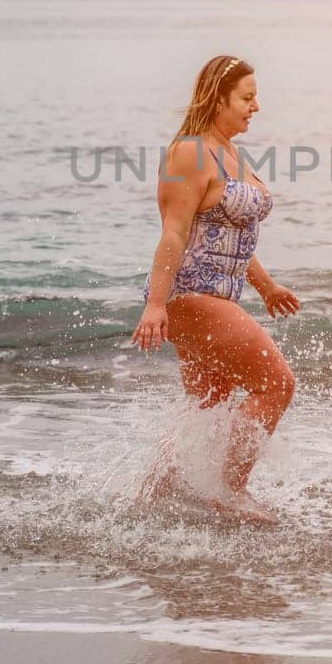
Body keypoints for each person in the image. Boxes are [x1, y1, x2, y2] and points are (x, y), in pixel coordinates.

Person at [132, 55, 300, 523]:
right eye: (246, 98)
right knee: (275, 384)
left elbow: (230, 230)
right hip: (189, 293)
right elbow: (174, 233)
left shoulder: (227, 150)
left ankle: (155, 491)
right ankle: (228, 490)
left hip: (215, 295)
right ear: (218, 98)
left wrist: (265, 287)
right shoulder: (189, 152)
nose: (256, 107)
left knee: (209, 400)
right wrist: (154, 305)